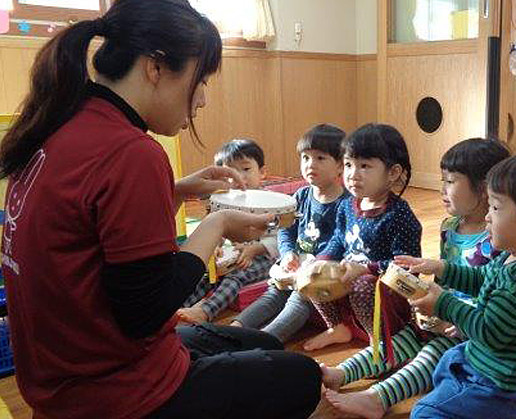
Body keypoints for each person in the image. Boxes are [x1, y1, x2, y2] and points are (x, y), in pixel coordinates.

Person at [0, 1, 320, 417]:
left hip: (60, 379)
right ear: (156, 67)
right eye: (199, 80)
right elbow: (145, 312)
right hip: (116, 392)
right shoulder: (132, 152)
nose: (202, 99)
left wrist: (174, 191)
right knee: (302, 378)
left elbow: (88, 231)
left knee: (262, 344)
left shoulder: (60, 122)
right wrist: (217, 224)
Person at [322, 138, 509, 419]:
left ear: (483, 189)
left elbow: (494, 297)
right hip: (442, 315)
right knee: (400, 339)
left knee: (432, 353)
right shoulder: (450, 226)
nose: (442, 189)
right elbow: (446, 281)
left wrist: (453, 317)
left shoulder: (499, 239)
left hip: (471, 330)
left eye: (451, 182)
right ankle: (343, 372)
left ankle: (377, 398)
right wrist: (424, 299)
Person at [398, 152, 516, 419]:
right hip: (492, 366)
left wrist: (443, 304)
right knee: (449, 360)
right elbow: (482, 279)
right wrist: (442, 268)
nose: (487, 217)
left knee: (423, 412)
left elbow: (487, 331)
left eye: (495, 208)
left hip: (504, 388)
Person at [303, 123, 422, 351]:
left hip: (383, 291)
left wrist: (367, 269)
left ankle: (377, 340)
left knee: (362, 285)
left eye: (364, 165)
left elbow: (407, 268)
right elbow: (339, 239)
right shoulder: (347, 205)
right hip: (351, 279)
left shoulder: (399, 215)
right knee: (315, 273)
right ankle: (338, 326)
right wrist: (322, 259)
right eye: (348, 164)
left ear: (393, 173)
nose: (352, 174)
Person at [232, 124, 350, 343]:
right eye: (305, 158)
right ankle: (236, 327)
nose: (310, 164)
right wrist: (287, 254)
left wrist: (312, 267)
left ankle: (266, 339)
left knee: (299, 298)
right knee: (273, 293)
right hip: (299, 264)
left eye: (320, 158)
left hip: (325, 271)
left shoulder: (346, 203)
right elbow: (285, 230)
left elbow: (341, 242)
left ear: (341, 166)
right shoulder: (301, 196)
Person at [179, 138, 281, 324]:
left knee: (235, 276)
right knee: (207, 275)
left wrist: (255, 249)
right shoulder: (225, 201)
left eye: (246, 169)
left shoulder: (272, 201)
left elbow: (280, 236)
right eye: (230, 172)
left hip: (267, 258)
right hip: (235, 255)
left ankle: (206, 311)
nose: (239, 177)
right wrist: (214, 247)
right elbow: (216, 229)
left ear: (262, 172)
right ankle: (177, 308)